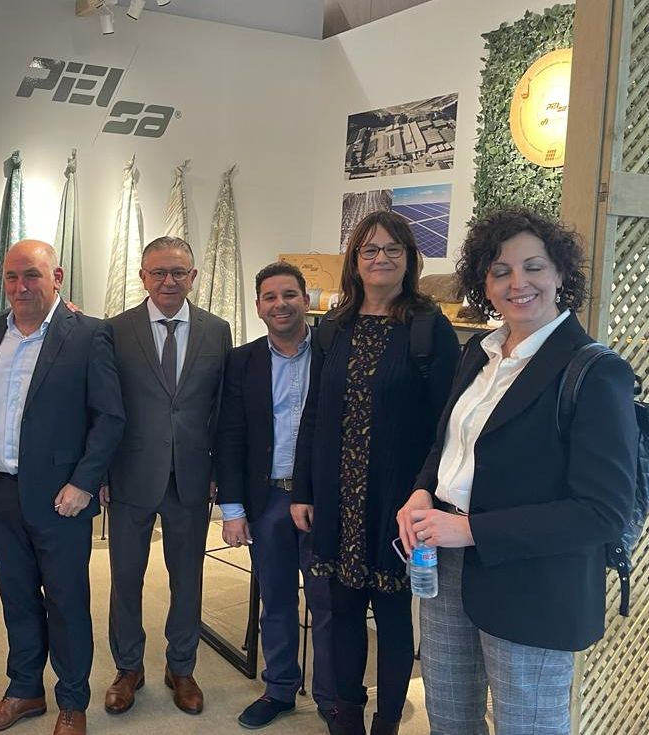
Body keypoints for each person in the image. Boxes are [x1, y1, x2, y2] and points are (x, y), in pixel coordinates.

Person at [396, 208, 638, 735]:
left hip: (533, 585)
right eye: (500, 271)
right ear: (484, 283)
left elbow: (602, 512)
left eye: (534, 267)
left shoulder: (595, 372)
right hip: (447, 568)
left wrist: (471, 530)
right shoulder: (478, 355)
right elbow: (448, 444)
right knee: (450, 719)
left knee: (527, 726)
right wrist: (421, 493)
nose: (517, 283)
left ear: (561, 273)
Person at [291, 211, 459, 735]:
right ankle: (346, 715)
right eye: (369, 250)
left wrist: (426, 493)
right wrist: (302, 489)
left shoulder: (429, 328)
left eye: (392, 249)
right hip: (337, 500)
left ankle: (387, 721)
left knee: (391, 617)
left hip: (397, 502)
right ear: (355, 261)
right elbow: (314, 412)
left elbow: (446, 427)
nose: (380, 258)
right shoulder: (332, 328)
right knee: (340, 613)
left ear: (409, 259)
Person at [0, 240, 125, 735]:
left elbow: (110, 417)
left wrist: (84, 482)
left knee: (66, 601)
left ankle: (72, 702)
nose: (21, 287)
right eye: (12, 276)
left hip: (63, 497)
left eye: (32, 275)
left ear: (56, 277)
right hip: (1, 488)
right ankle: (24, 690)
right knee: (16, 597)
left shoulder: (89, 334)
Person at [101, 236, 231, 717]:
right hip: (130, 474)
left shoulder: (217, 331)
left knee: (187, 579)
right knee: (125, 578)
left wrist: (218, 471)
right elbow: (105, 406)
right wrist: (102, 472)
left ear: (193, 276)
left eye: (178, 272)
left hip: (192, 477)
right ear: (143, 277)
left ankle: (182, 668)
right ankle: (128, 667)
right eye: (158, 272)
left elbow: (222, 410)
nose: (168, 281)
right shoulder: (116, 330)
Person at [215, 261, 338, 730]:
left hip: (323, 501)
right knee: (277, 599)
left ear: (305, 300)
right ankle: (280, 688)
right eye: (270, 297)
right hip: (267, 499)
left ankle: (332, 697)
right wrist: (232, 509)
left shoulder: (334, 352)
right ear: (258, 306)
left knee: (327, 603)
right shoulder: (241, 361)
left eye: (289, 295)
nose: (280, 304)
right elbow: (229, 436)